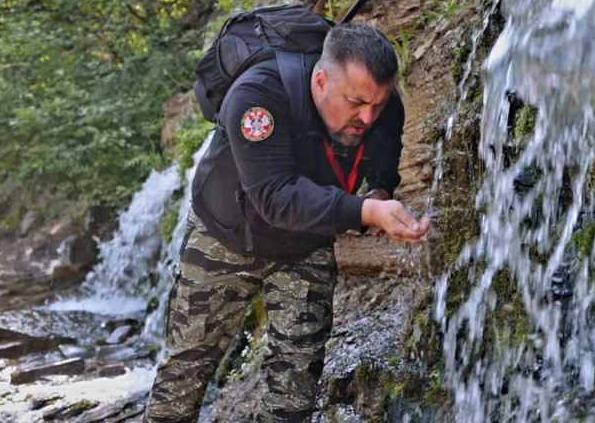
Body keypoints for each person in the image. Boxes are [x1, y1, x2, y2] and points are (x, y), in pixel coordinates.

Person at [144, 23, 431, 422]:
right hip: (226, 234)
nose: (368, 116)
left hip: (304, 243)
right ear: (319, 81)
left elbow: (383, 166)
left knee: (295, 392)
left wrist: (380, 196)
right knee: (184, 375)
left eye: (378, 104)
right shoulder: (258, 96)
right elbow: (275, 197)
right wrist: (364, 212)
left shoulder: (382, 106)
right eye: (357, 102)